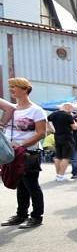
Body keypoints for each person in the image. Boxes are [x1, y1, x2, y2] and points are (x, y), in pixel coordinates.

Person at [0, 78, 47, 229]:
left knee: (31, 185)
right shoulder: (11, 108)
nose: (11, 89)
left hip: (28, 153)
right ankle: (21, 214)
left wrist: (21, 145)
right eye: (10, 87)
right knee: (19, 184)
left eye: (14, 87)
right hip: (12, 153)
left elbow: (41, 133)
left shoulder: (36, 110)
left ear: (25, 89)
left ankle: (36, 216)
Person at [47, 103, 77, 181]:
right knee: (66, 157)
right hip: (67, 137)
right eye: (72, 108)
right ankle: (61, 175)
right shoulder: (68, 115)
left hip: (57, 136)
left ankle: (58, 175)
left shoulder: (54, 114)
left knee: (58, 156)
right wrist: (75, 121)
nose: (72, 110)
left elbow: (46, 120)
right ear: (68, 107)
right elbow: (74, 127)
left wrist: (51, 129)